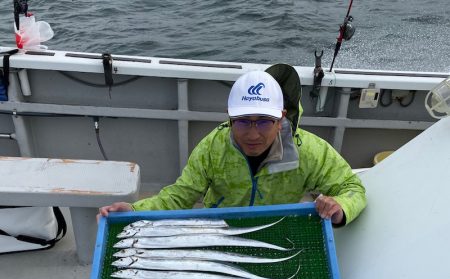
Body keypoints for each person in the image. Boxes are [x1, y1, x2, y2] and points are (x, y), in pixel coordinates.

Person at [98, 68, 366, 225]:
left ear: (281, 118)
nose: (252, 134)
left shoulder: (309, 151)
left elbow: (352, 187)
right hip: (219, 230)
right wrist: (133, 211)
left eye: (263, 122)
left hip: (277, 228)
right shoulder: (212, 148)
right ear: (229, 116)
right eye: (242, 122)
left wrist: (340, 207)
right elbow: (179, 197)